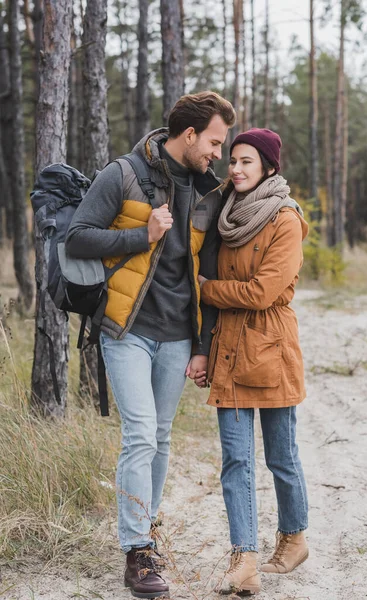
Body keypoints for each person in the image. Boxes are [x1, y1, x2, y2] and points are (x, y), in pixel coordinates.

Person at [65, 91, 236, 599]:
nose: (218, 154)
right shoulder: (123, 174)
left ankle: (148, 529)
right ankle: (137, 549)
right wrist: (141, 235)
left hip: (179, 335)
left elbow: (207, 272)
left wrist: (203, 343)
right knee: (140, 433)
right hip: (127, 329)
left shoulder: (210, 191)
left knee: (160, 436)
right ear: (189, 135)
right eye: (215, 142)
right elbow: (77, 237)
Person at [196, 128, 309, 596]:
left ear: (268, 167)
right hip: (228, 349)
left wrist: (206, 290)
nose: (236, 169)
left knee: (281, 457)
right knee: (235, 462)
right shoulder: (225, 214)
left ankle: (294, 535)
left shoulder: (285, 218)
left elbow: (264, 291)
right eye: (233, 161)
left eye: (247, 162)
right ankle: (244, 559)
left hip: (272, 348)